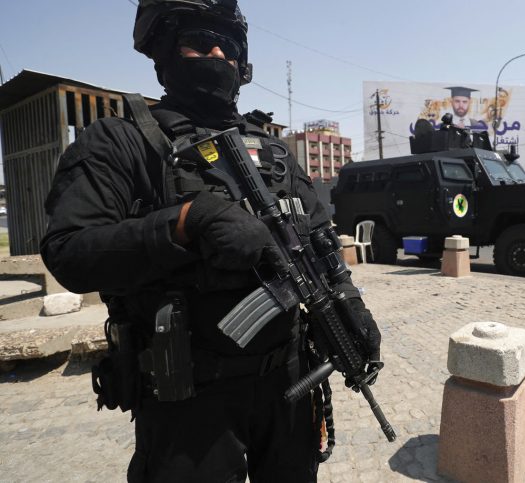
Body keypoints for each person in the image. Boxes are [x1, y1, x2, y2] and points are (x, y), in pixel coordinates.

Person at [39, 1, 381, 481]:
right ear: (163, 53)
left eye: (228, 46)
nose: (217, 55)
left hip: (289, 380)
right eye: (199, 43)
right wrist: (185, 223)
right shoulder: (122, 141)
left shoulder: (274, 152)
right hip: (189, 398)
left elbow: (320, 237)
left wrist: (348, 302)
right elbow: (69, 251)